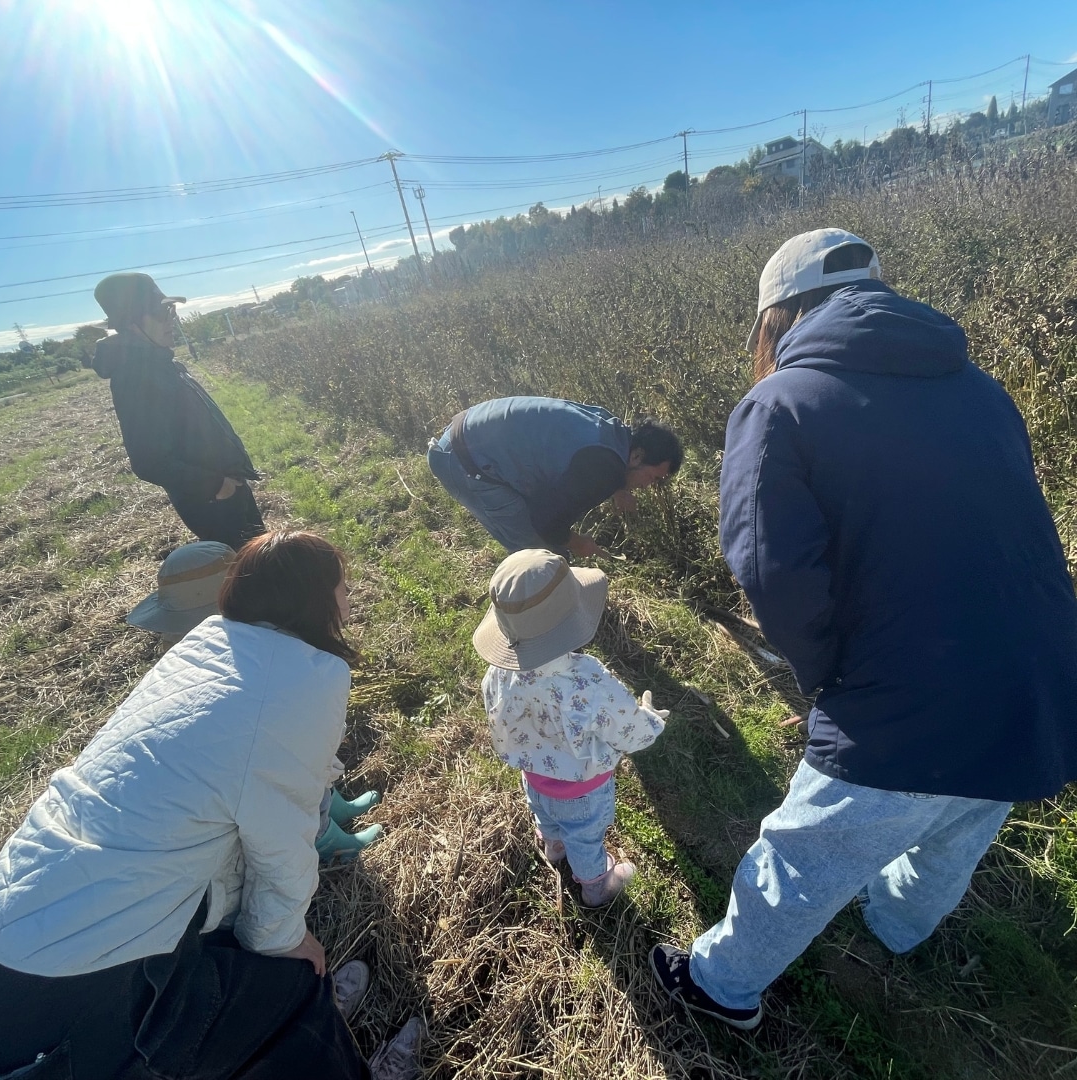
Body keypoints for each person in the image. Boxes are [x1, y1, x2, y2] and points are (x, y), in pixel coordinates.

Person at [649, 228, 1077, 1031]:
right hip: (1045, 677)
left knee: (804, 853)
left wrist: (828, 678)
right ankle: (897, 930)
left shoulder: (781, 403)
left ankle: (719, 987)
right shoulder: (981, 387)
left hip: (909, 693)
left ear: (778, 317)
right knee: (959, 825)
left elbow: (771, 570)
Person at [0, 530, 416, 1079]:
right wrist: (283, 941)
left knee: (236, 980)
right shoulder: (300, 681)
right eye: (343, 586)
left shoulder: (204, 648)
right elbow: (280, 843)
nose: (349, 596)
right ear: (314, 600)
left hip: (25, 909)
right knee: (287, 991)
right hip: (84, 969)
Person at [124, 539, 384, 863]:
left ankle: (330, 804)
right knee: (295, 775)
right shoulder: (224, 650)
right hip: (234, 794)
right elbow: (276, 784)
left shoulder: (218, 642)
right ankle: (326, 838)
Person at [473, 548, 669, 906]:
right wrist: (650, 719)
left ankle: (554, 847)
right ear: (569, 620)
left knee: (547, 817)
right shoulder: (586, 680)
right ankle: (595, 886)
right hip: (583, 790)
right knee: (584, 837)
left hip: (535, 777)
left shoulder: (498, 673)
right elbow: (627, 729)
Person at [88, 272, 265, 551]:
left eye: (171, 310)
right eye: (161, 312)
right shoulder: (136, 378)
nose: (171, 319)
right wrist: (216, 485)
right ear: (131, 323)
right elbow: (148, 461)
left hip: (226, 489)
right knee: (246, 568)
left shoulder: (158, 362)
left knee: (260, 561)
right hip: (213, 501)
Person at [427, 396, 682, 559]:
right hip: (463, 461)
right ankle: (534, 620)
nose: (647, 486)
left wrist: (619, 487)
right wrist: (579, 543)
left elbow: (587, 459)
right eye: (652, 477)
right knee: (540, 556)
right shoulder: (605, 469)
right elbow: (546, 521)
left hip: (464, 432)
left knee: (551, 553)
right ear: (637, 456)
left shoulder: (613, 431)